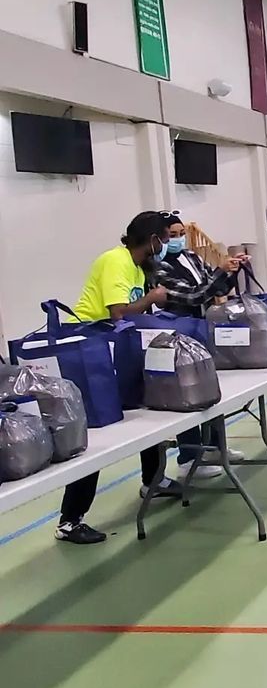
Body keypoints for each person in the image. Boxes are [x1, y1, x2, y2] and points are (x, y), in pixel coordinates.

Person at [56, 212, 181, 545]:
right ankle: (70, 520)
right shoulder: (116, 261)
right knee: (98, 433)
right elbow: (119, 312)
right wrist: (152, 299)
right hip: (89, 347)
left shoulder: (139, 267)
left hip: (113, 345)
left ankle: (152, 481)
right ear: (152, 238)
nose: (167, 244)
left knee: (148, 409)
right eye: (165, 238)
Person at [151, 213, 248, 480]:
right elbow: (193, 296)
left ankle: (215, 446)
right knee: (187, 394)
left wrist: (232, 271)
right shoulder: (159, 268)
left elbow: (215, 288)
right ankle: (189, 456)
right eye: (172, 235)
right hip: (177, 334)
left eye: (181, 233)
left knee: (209, 390)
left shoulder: (192, 257)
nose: (179, 239)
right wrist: (220, 271)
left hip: (200, 329)